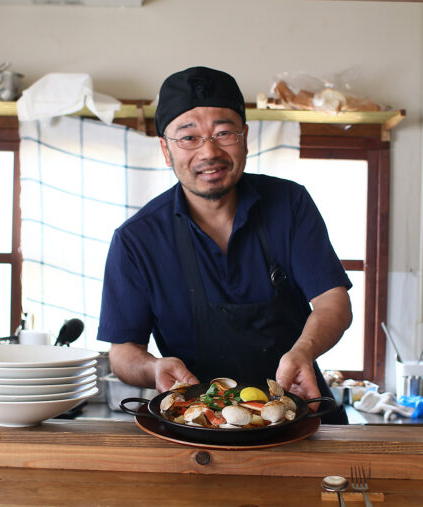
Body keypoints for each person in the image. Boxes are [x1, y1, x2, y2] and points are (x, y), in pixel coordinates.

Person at [97, 66, 352, 423]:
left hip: (300, 413)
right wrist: (154, 367)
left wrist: (304, 352)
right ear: (166, 150)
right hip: (199, 423)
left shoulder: (290, 204)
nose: (209, 151)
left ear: (245, 137)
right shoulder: (136, 240)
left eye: (224, 132)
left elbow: (333, 300)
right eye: (188, 137)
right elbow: (123, 351)